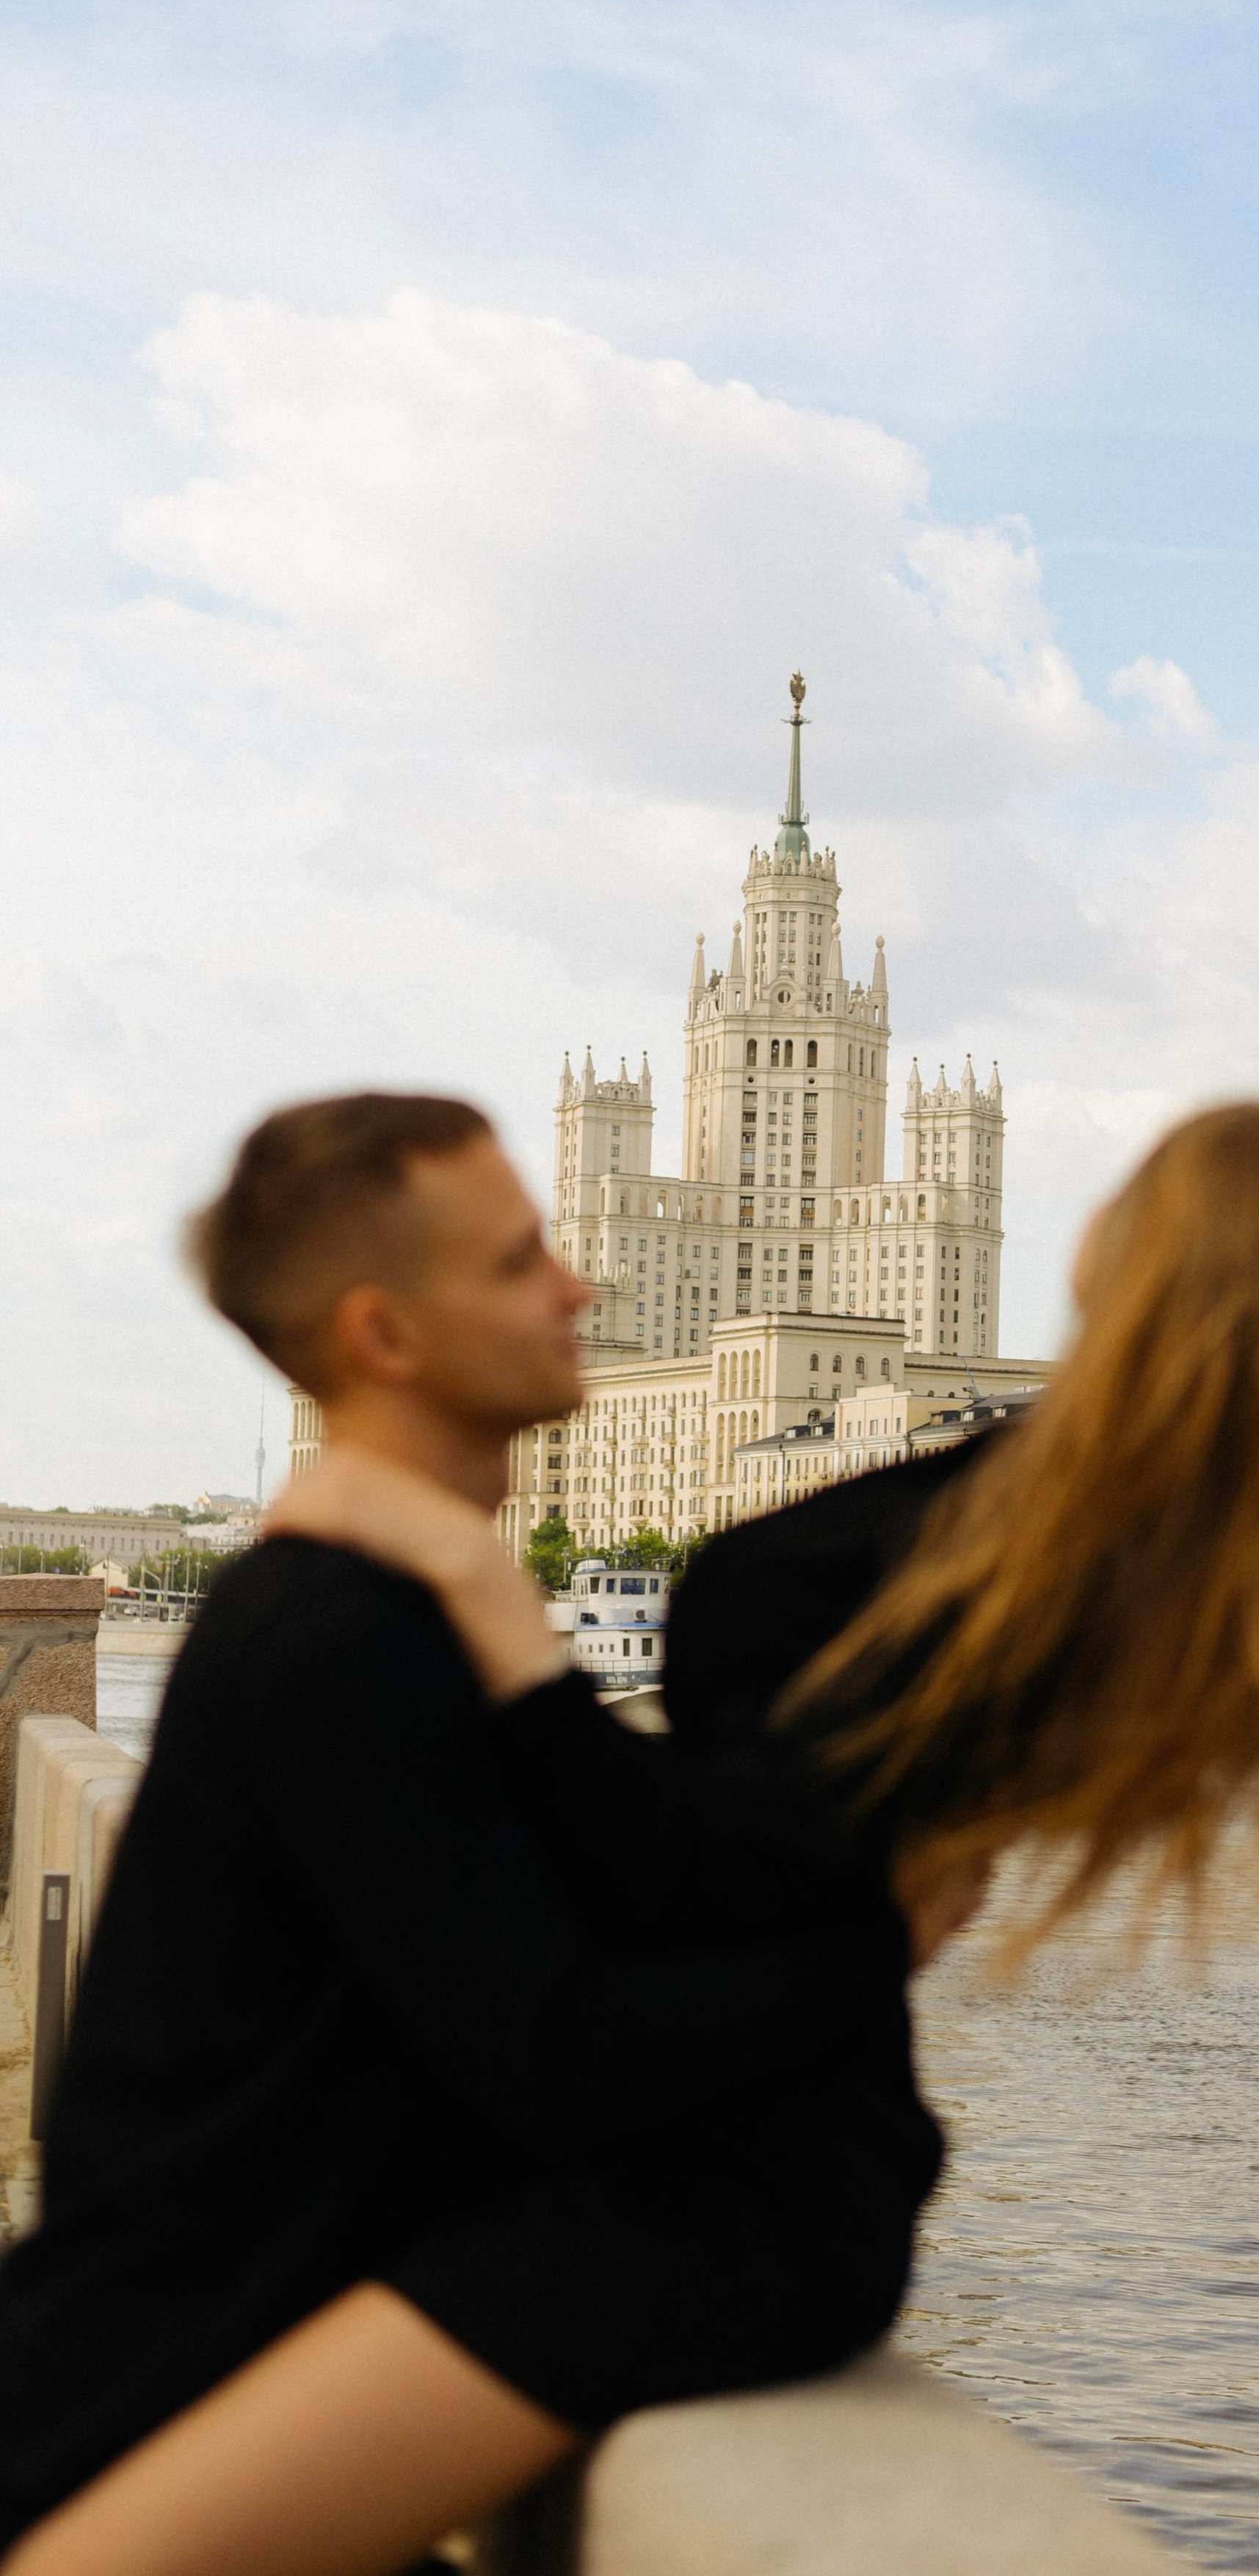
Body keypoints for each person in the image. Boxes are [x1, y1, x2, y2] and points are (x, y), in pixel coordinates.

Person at [5, 836, 1259, 2576]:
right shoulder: (1036, 1505)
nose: (575, 1277)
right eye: (521, 1259)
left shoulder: (1022, 1528)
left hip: (726, 2184)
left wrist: (502, 1624)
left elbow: (594, 1967)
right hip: (700, 2144)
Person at [0, 1097, 940, 2576]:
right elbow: (553, 2048)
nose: (576, 1287)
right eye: (517, 1264)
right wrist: (877, 1933)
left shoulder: (393, 1609)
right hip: (156, 2396)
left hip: (218, 2350)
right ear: (384, 1333)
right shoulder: (338, 1639)